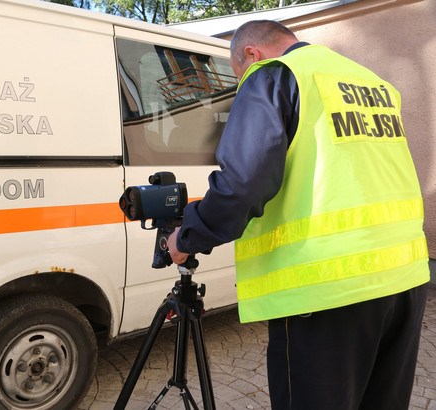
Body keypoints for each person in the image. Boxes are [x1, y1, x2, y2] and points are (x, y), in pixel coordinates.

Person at [167, 20, 430, 409]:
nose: (245, 81)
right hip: (404, 280)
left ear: (251, 55)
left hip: (327, 289)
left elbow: (244, 183)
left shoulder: (274, 76)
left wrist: (186, 237)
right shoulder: (371, 82)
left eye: (241, 75)